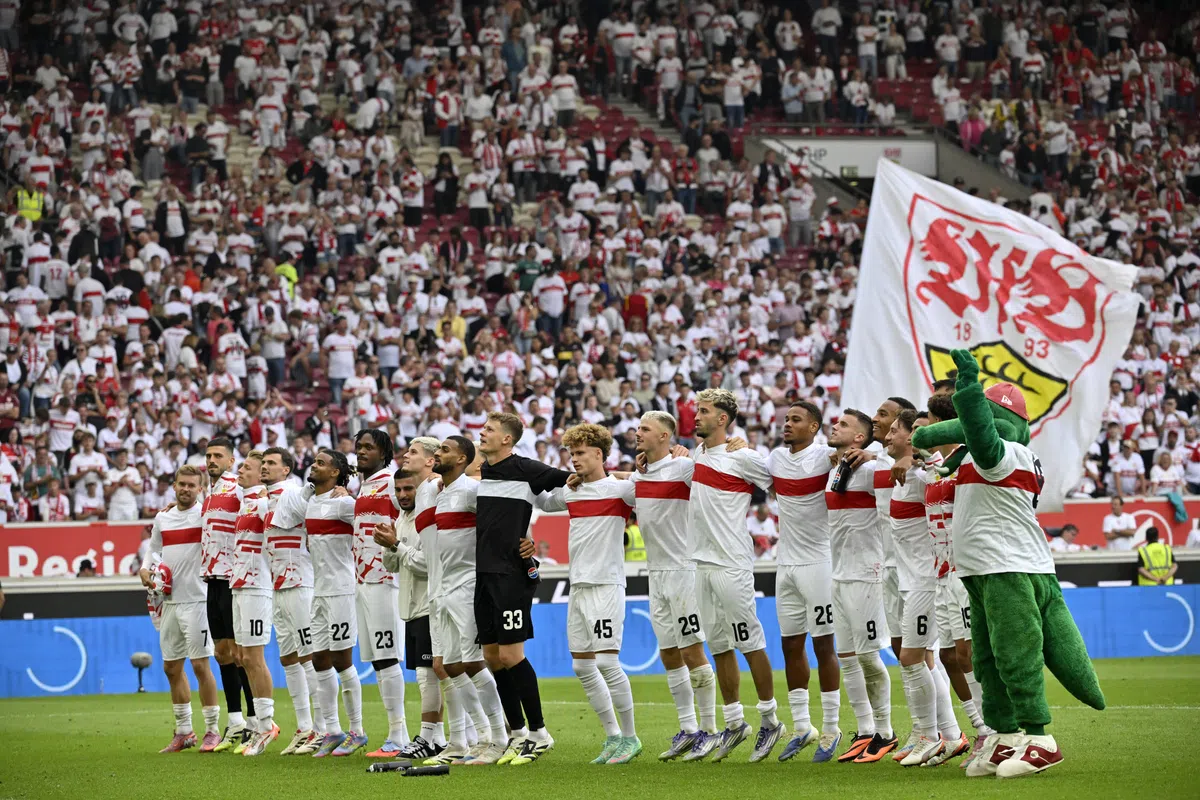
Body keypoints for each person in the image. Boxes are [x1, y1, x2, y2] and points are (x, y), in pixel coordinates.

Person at [687, 388, 781, 763]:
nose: (696, 416)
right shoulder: (696, 453)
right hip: (702, 564)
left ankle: (771, 720)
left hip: (732, 564)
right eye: (697, 410)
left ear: (722, 419)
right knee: (719, 646)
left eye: (704, 411)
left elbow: (780, 484)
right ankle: (735, 722)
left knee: (750, 643)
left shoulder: (743, 456)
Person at [539, 424, 642, 765]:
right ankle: (613, 737)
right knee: (582, 666)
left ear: (599, 454)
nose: (575, 460)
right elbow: (542, 500)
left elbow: (653, 484)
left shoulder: (620, 490)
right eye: (571, 454)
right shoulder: (572, 492)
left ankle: (631, 738)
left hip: (606, 585)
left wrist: (632, 470)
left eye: (581, 453)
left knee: (607, 662)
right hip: (579, 586)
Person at [475, 412, 568, 765]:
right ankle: (517, 733)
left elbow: (573, 479)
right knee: (491, 656)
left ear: (507, 440)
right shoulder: (482, 471)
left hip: (510, 575)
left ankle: (539, 733)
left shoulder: (526, 468)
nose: (482, 433)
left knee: (512, 656)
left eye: (489, 430)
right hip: (483, 574)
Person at [423, 435, 510, 765]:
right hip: (446, 586)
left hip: (470, 584)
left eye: (444, 450)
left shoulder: (473, 489)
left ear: (461, 459)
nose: (438, 453)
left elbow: (510, 516)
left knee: (473, 662)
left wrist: (522, 544)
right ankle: (481, 736)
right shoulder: (441, 492)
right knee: (451, 665)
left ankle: (498, 738)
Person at [885, 410, 965, 766]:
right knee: (935, 657)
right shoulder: (907, 472)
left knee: (915, 656)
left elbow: (938, 465)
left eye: (895, 430)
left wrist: (910, 455)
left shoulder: (926, 473)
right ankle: (948, 736)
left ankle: (929, 735)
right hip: (910, 579)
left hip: (929, 579)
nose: (887, 436)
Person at [767, 401, 842, 763]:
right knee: (789, 645)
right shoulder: (774, 459)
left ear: (814, 427)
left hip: (819, 563)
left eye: (796, 420)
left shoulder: (827, 456)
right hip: (786, 565)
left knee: (824, 645)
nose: (788, 424)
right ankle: (802, 727)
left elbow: (871, 449)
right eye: (786, 419)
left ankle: (831, 727)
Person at [825, 409, 895, 764]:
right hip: (838, 576)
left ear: (859, 438)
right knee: (847, 657)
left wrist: (877, 453)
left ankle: (886, 731)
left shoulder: (869, 469)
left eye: (843, 425)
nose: (834, 426)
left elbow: (902, 466)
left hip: (867, 574)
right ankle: (865, 730)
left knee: (868, 655)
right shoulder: (836, 468)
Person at [139, 466, 221, 753]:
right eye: (181, 484)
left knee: (200, 665)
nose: (185, 489)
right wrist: (145, 568)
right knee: (171, 667)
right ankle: (184, 732)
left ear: (200, 489)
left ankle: (212, 730)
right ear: (174, 486)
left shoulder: (206, 514)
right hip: (170, 602)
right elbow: (153, 549)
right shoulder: (163, 517)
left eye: (191, 485)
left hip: (198, 600)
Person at [376, 439, 447, 761]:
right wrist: (389, 543)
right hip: (411, 605)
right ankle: (436, 738)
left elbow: (425, 564)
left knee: (439, 671)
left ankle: (448, 736)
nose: (403, 495)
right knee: (426, 673)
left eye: (408, 490)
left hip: (433, 603)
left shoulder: (430, 511)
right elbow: (391, 565)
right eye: (399, 490)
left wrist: (397, 547)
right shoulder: (403, 519)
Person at [302, 448, 364, 757]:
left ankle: (358, 731)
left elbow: (369, 517)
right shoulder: (311, 502)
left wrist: (354, 492)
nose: (314, 466)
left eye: (321, 463)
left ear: (336, 472)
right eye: (314, 462)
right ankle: (332, 730)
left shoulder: (344, 504)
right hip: (319, 592)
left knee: (342, 660)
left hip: (341, 591)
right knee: (319, 661)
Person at [262, 447, 325, 756]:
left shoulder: (292, 493)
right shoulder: (264, 501)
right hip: (277, 587)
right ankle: (304, 726)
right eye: (263, 462)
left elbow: (308, 504)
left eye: (272, 463)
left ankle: (324, 728)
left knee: (308, 656)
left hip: (301, 584)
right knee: (288, 658)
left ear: (286, 470)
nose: (265, 467)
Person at [350, 428, 408, 758]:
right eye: (358, 447)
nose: (361, 452)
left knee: (387, 657)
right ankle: (394, 733)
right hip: (363, 579)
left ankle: (398, 735)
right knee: (378, 658)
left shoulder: (389, 481)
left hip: (385, 578)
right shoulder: (366, 484)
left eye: (368, 448)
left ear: (384, 454)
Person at [200, 437, 256, 751]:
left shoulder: (237, 487)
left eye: (218, 455)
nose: (212, 460)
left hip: (233, 577)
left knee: (239, 653)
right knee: (221, 652)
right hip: (211, 577)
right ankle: (234, 721)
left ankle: (255, 721)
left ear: (231, 461)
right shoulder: (210, 493)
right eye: (208, 455)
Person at [229, 450, 279, 756]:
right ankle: (259, 724)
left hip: (258, 586)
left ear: (261, 472)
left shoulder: (263, 503)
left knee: (255, 657)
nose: (240, 470)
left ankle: (267, 725)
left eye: (247, 467)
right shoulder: (245, 502)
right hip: (239, 585)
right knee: (242, 658)